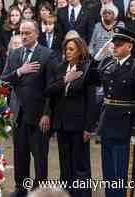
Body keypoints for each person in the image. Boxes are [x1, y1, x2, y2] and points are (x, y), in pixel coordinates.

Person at [89, 26, 135, 197]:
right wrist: (98, 57)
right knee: (109, 175)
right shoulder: (108, 63)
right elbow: (90, 79)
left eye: (119, 44)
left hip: (126, 128)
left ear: (129, 46)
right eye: (113, 43)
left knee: (123, 175)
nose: (114, 47)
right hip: (107, 126)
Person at [1, 19, 59, 197]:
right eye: (22, 33)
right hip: (18, 115)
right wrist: (20, 71)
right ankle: (21, 188)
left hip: (39, 115)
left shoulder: (48, 55)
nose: (24, 36)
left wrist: (47, 114)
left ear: (37, 34)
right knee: (20, 155)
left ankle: (39, 191)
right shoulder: (15, 54)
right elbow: (4, 80)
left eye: (28, 33)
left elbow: (53, 87)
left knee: (39, 157)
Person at [46, 37, 93, 197]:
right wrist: (65, 80)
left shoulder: (87, 69)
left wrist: (88, 127)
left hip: (79, 125)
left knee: (80, 165)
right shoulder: (60, 68)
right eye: (66, 49)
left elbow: (91, 101)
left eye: (71, 49)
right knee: (65, 164)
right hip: (61, 124)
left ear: (80, 50)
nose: (67, 52)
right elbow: (49, 90)